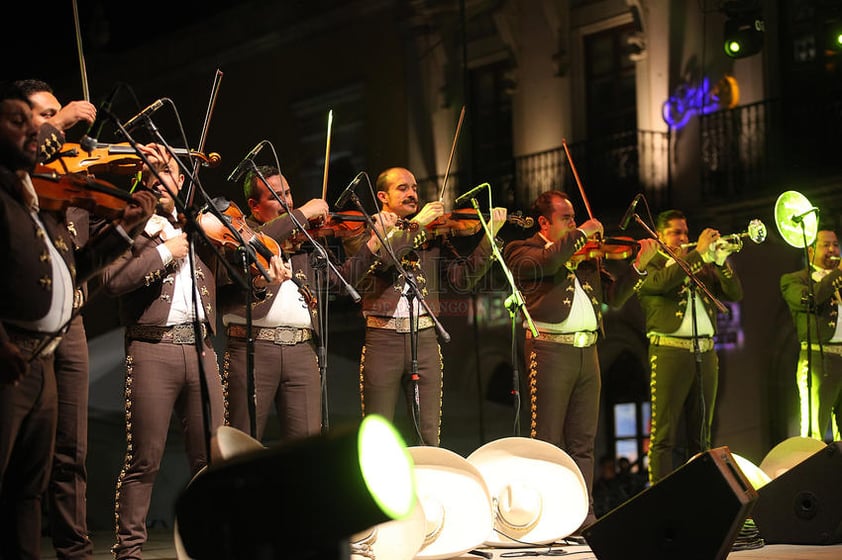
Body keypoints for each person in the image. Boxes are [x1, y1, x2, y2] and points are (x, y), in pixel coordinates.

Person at [0, 81, 154, 559]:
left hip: (43, 361)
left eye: (37, 123)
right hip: (11, 357)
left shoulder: (42, 205)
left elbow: (74, 271)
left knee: (31, 484)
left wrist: (128, 227)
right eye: (19, 121)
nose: (35, 133)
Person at [101, 143, 231, 559]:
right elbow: (112, 280)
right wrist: (163, 251)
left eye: (170, 173)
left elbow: (238, 270)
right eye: (152, 175)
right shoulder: (129, 227)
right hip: (152, 347)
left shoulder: (200, 226)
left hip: (202, 348)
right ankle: (130, 551)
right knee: (145, 458)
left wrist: (230, 237)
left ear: (183, 181)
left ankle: (211, 545)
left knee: (212, 459)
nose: (162, 180)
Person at [503, 189, 656, 529]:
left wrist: (637, 268)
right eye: (566, 219)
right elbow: (550, 261)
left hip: (588, 351)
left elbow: (614, 298)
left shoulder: (586, 255)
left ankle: (582, 515)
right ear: (544, 222)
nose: (573, 223)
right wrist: (581, 234)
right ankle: (545, 517)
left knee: (583, 441)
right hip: (549, 349)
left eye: (573, 218)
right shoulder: (522, 250)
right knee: (547, 440)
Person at [343, 166, 507, 446]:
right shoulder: (367, 230)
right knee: (378, 432)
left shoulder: (434, 233)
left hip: (426, 337)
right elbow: (383, 260)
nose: (412, 193)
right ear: (383, 196)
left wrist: (488, 237)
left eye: (415, 188)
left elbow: (462, 278)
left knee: (429, 434)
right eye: (403, 188)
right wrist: (418, 223)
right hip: (384, 339)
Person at [220, 165, 377, 442]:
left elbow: (341, 282)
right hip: (253, 348)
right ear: (255, 206)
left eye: (289, 193)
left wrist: (372, 245)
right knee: (242, 442)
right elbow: (264, 242)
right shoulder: (241, 236)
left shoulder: (305, 241)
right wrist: (303, 212)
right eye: (276, 197)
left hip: (302, 351)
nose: (287, 202)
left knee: (307, 444)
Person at [16, 78, 100, 560]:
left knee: (72, 449)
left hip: (72, 326)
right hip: (23, 331)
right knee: (25, 460)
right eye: (43, 116)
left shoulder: (67, 181)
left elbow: (80, 263)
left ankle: (75, 551)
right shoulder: (15, 177)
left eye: (56, 114)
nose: (56, 124)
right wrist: (61, 121)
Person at [636, 209, 743, 484]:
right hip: (670, 350)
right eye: (676, 232)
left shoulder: (702, 262)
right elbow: (661, 284)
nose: (683, 237)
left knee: (702, 433)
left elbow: (735, 294)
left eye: (685, 232)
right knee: (665, 433)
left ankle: (699, 490)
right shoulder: (652, 262)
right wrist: (699, 256)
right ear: (660, 236)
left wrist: (720, 261)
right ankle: (659, 495)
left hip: (706, 351)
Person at [780, 225, 842, 441]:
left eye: (835, 245)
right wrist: (837, 274)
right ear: (810, 250)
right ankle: (814, 472)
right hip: (818, 358)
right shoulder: (794, 279)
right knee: (814, 429)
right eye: (826, 245)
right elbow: (810, 300)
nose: (833, 250)